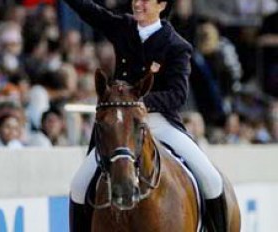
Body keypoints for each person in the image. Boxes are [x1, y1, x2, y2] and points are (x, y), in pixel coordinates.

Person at [63, 0, 226, 231]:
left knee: (211, 179)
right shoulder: (124, 27)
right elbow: (92, 13)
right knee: (79, 185)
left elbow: (178, 95)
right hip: (121, 126)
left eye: (145, 0)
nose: (137, 4)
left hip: (158, 120)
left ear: (161, 5)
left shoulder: (177, 46)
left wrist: (138, 103)